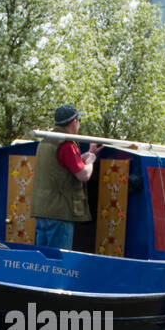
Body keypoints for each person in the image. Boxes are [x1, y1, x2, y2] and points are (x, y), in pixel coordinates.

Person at [32, 105, 102, 250]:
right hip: (59, 213)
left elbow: (61, 166)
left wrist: (86, 154)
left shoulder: (45, 142)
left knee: (42, 260)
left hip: (42, 211)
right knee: (58, 261)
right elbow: (84, 175)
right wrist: (91, 160)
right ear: (74, 121)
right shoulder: (66, 144)